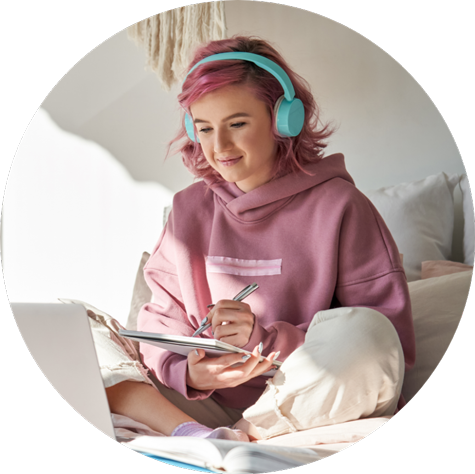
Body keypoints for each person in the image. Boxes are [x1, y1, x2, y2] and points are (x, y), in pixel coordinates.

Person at [106, 35, 416, 442]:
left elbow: (385, 344)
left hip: (303, 396)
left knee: (370, 333)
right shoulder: (187, 209)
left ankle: (238, 438)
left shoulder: (342, 206)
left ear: (282, 120)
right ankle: (195, 435)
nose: (219, 147)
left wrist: (263, 341)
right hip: (205, 402)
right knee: (87, 329)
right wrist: (189, 372)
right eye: (204, 128)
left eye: (237, 123)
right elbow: (160, 319)